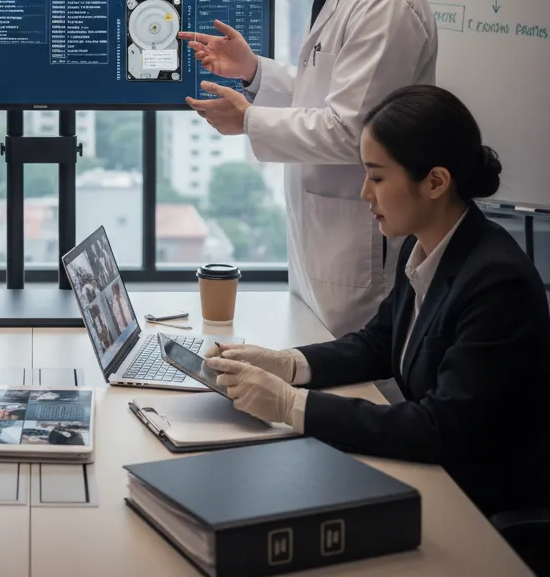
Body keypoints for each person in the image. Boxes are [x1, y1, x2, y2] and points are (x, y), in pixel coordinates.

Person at [204, 86, 550, 518]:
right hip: (435, 479)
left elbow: (440, 428)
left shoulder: (498, 284)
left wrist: (290, 405)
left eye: (378, 176)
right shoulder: (423, 245)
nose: (365, 192)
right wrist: (285, 363)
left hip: (478, 506)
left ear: (435, 182)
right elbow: (378, 342)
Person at [181, 0, 437, 335]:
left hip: (357, 255)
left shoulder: (382, 3)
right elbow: (328, 97)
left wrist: (249, 120)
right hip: (324, 248)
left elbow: (352, 130)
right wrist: (254, 72)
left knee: (361, 394)